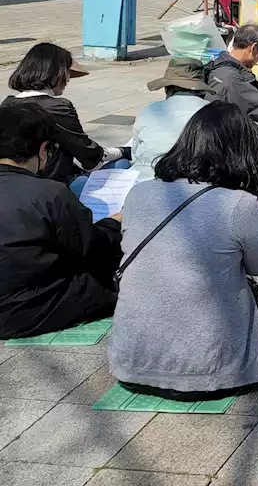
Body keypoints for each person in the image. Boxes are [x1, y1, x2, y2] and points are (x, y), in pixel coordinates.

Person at [108, 103, 258, 395]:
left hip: (131, 364)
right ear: (245, 151)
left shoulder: (140, 194)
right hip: (211, 370)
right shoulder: (239, 203)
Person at [0, 105, 123, 340]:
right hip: (21, 311)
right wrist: (115, 222)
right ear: (43, 150)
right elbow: (93, 248)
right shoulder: (48, 193)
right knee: (116, 273)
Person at [2, 42, 125, 183]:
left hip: (9, 181)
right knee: (121, 165)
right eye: (67, 72)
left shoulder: (7, 104)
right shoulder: (57, 108)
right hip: (48, 185)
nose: (67, 79)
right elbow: (90, 157)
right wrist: (123, 151)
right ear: (56, 73)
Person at [130, 59, 212, 181]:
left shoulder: (149, 110)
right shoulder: (212, 112)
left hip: (143, 180)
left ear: (167, 88)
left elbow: (135, 156)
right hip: (193, 181)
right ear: (201, 89)